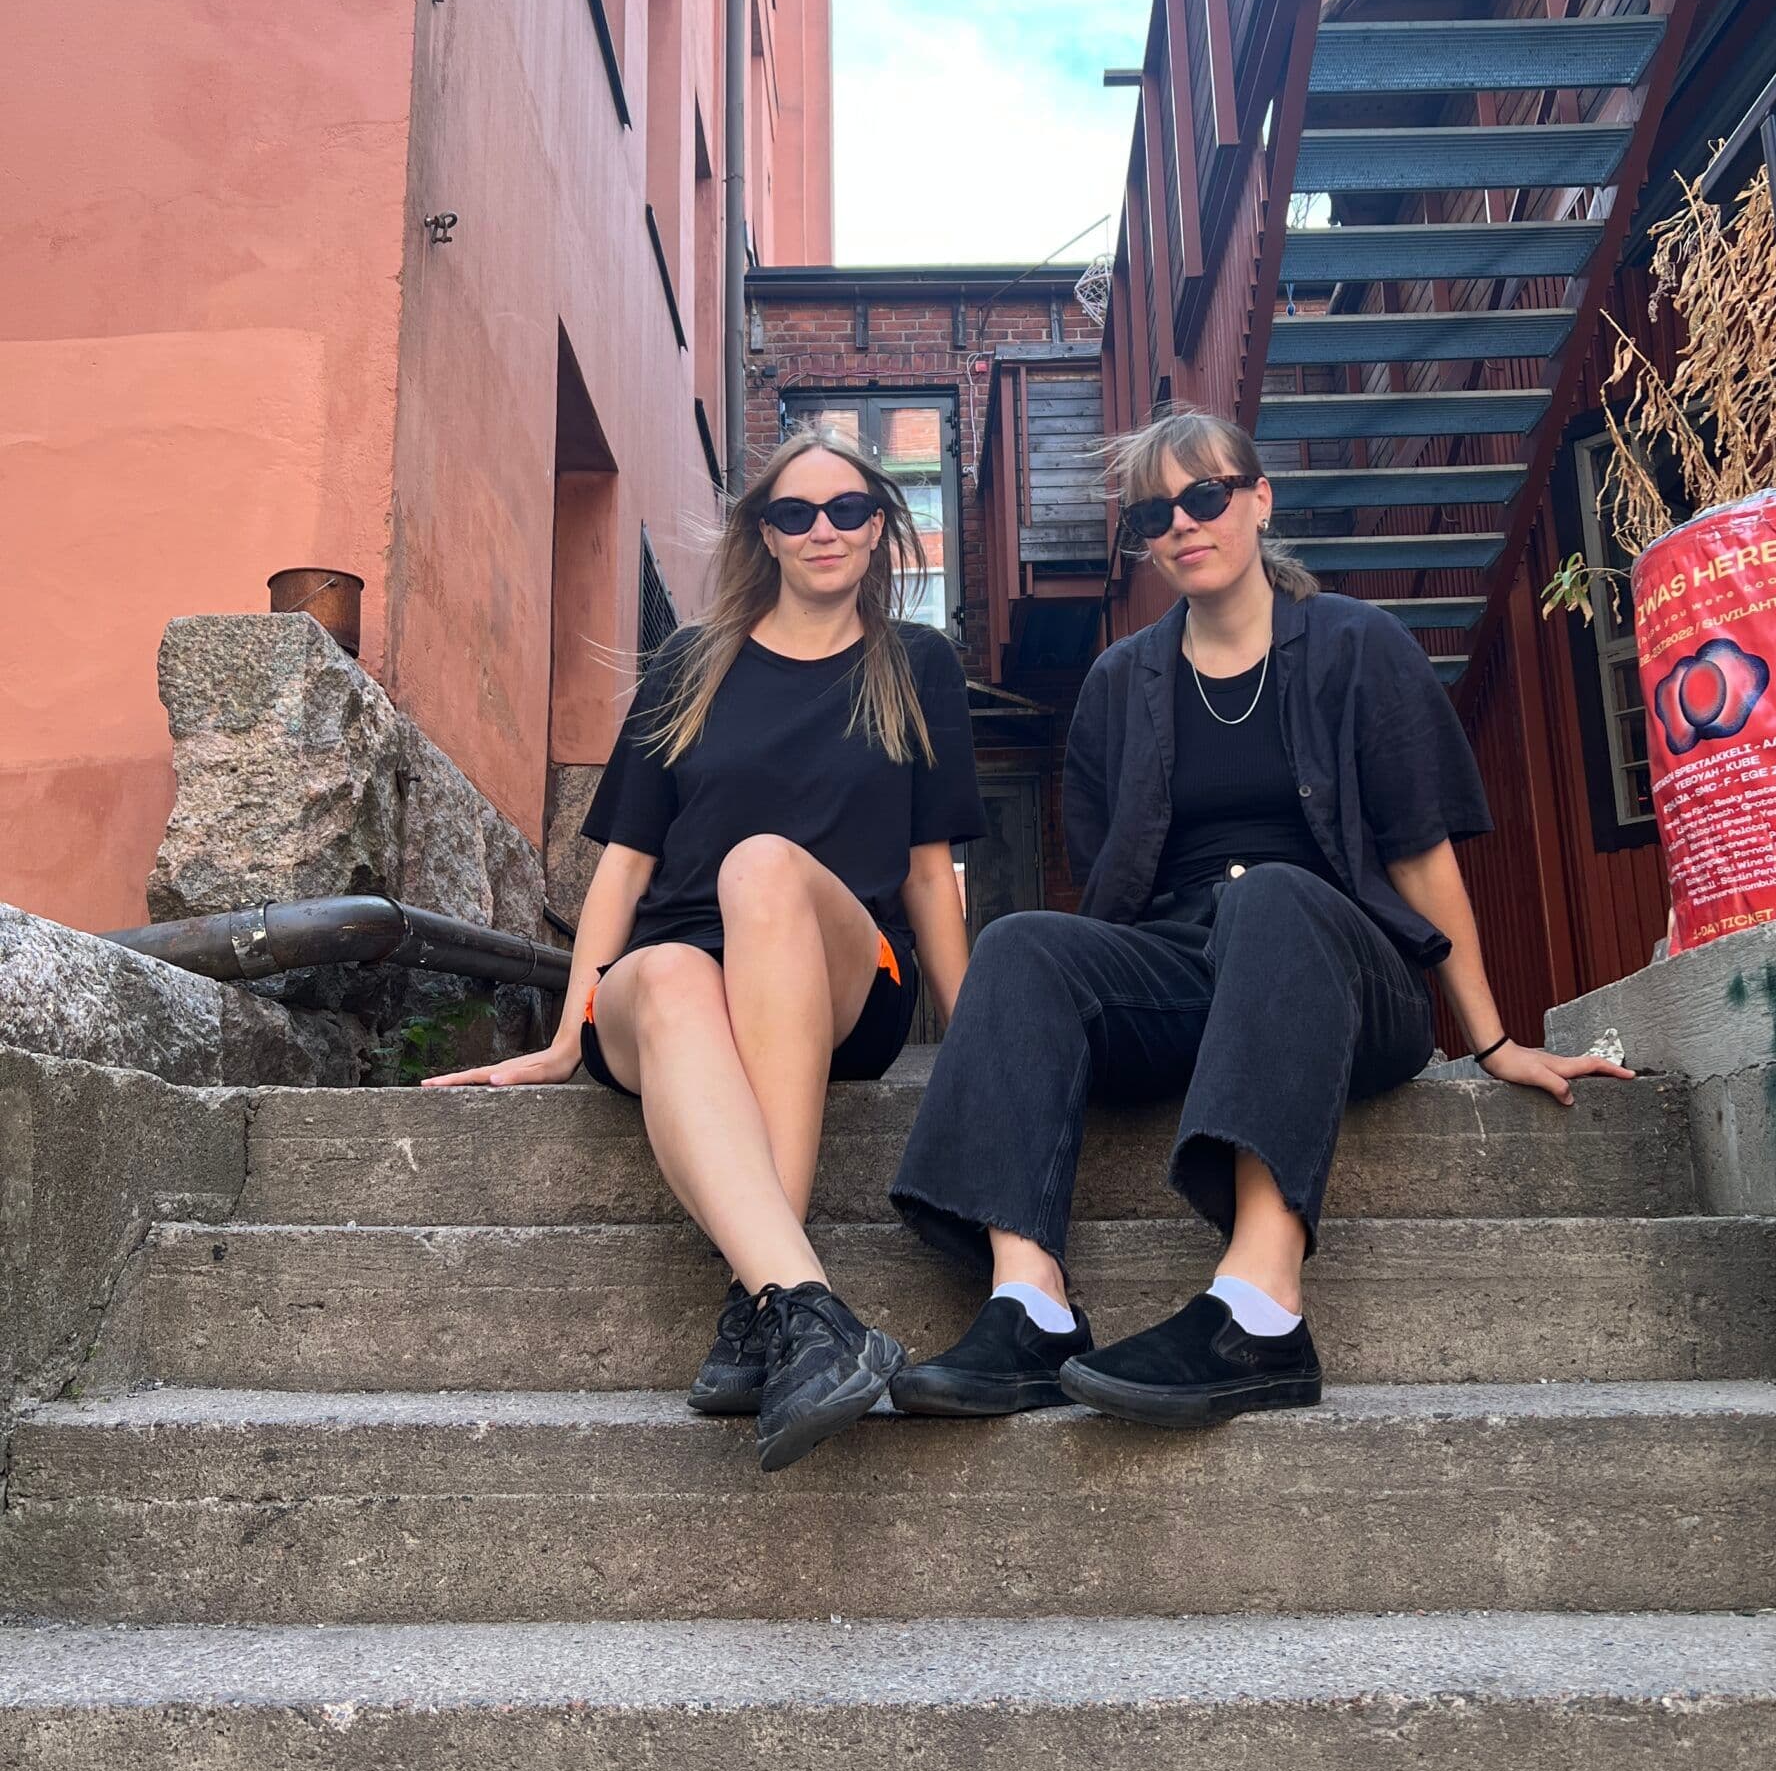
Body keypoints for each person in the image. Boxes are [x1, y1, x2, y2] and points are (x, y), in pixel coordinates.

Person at [889, 406, 1632, 1428]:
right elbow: (1113, 880)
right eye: (1154, 514)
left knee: (1270, 893)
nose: (1183, 524)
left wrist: (1492, 1039)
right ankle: (1030, 1305)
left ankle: (1262, 1309)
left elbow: (1421, 856)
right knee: (1020, 941)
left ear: (1259, 499)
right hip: (1190, 974)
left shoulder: (1358, 647)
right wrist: (1066, 1016)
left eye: (1205, 496)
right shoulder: (1119, 683)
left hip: (1340, 975)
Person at [428, 427, 982, 1472]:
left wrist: (977, 1037)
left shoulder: (917, 665)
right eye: (794, 513)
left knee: (761, 867)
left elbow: (926, 873)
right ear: (763, 535)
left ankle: (764, 1300)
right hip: (673, 983)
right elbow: (624, 869)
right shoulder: (693, 661)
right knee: (681, 967)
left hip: (843, 975)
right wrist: (568, 1033)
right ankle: (796, 1308)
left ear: (879, 528)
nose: (823, 530)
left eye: (848, 509)